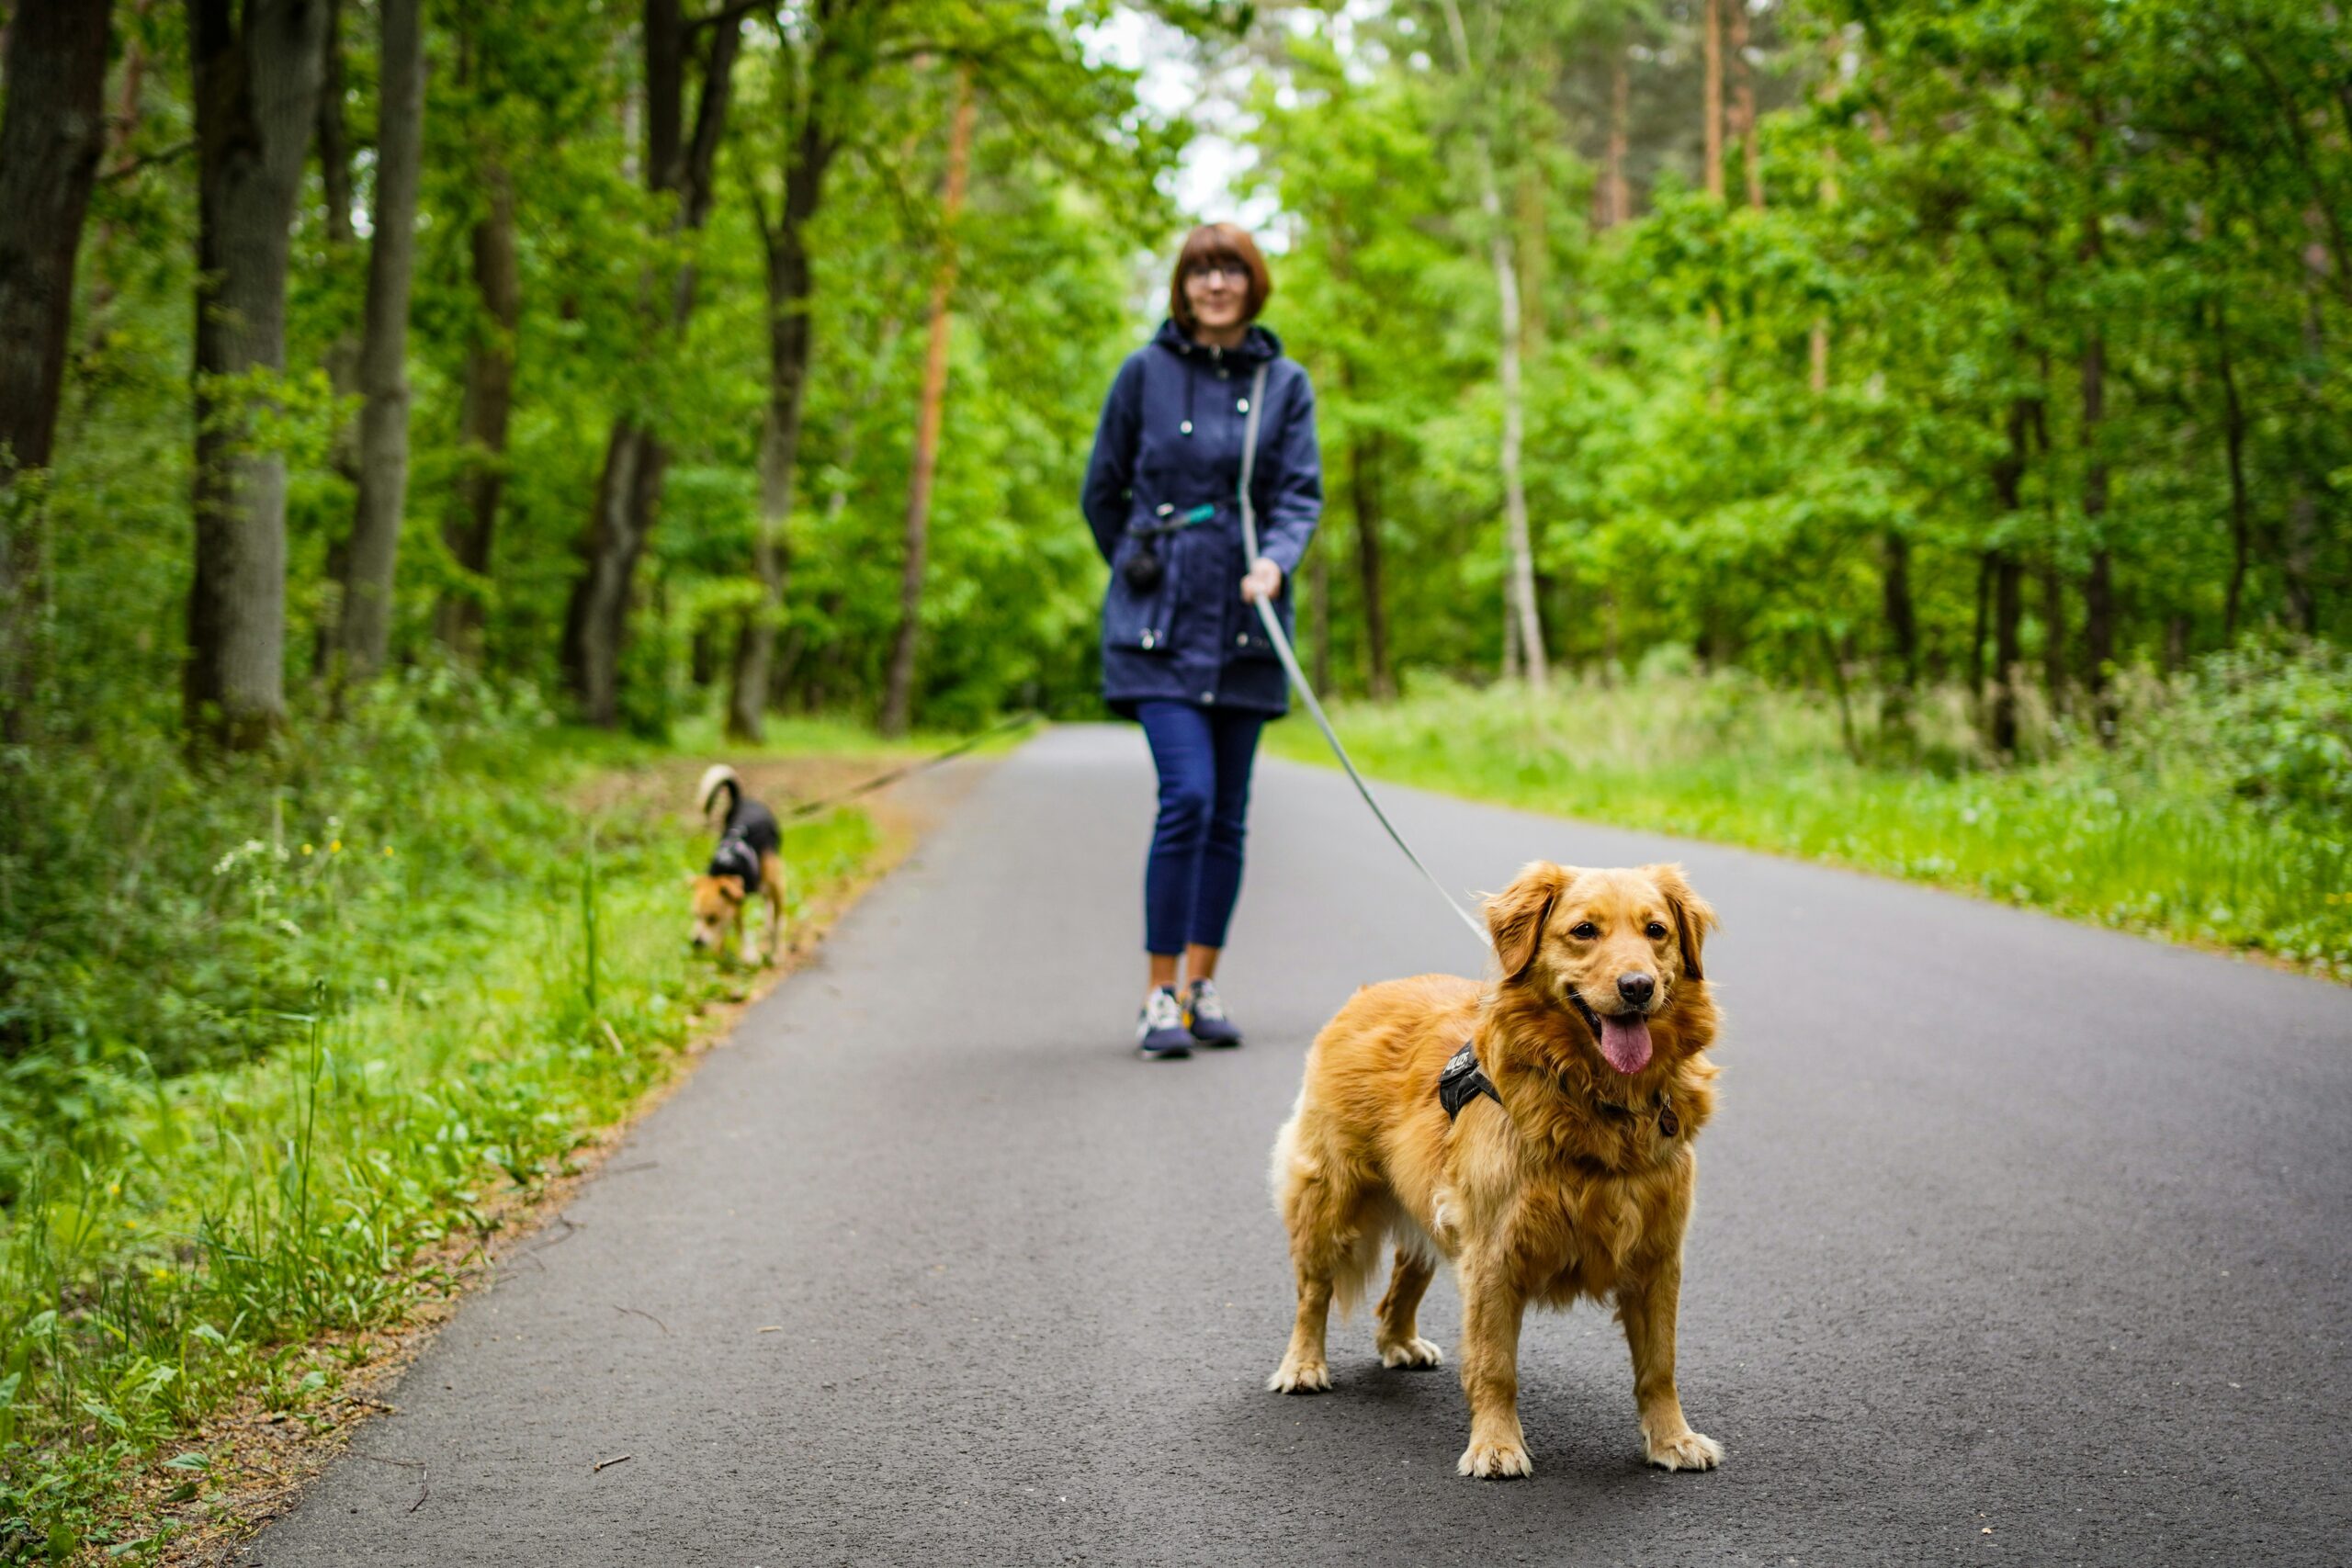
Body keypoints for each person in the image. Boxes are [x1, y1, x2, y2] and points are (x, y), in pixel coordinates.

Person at [1081, 223, 1322, 1060]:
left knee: (1227, 814)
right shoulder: (1143, 374)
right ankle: (1156, 993)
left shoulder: (1283, 382)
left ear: (1252, 284)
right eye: (1200, 271)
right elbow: (1100, 490)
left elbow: (1299, 495)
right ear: (1182, 286)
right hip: (1158, 628)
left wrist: (1276, 563)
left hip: (1249, 623)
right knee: (1185, 796)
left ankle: (1199, 985)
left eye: (1231, 270)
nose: (1215, 283)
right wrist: (1141, 559)